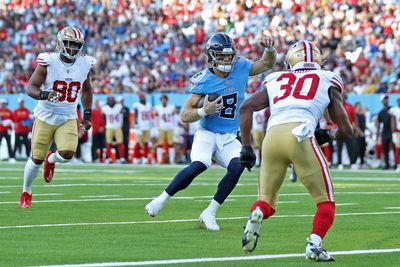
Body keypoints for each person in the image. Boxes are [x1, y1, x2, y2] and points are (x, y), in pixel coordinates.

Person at [145, 32, 276, 230]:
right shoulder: (203, 80)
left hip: (229, 136)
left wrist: (269, 49)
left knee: (237, 165)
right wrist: (203, 110)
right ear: (210, 56)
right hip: (207, 133)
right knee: (200, 164)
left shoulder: (240, 67)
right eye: (221, 56)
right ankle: (161, 199)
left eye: (228, 56)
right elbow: (185, 115)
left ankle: (210, 212)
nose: (225, 60)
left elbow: (266, 63)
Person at [239, 41, 353, 261]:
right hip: (301, 133)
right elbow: (346, 129)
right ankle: (314, 244)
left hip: (272, 137)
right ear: (318, 60)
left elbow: (246, 108)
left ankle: (258, 213)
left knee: (267, 202)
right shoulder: (327, 78)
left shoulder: (275, 78)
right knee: (325, 202)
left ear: (290, 60)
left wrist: (246, 148)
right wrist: (329, 136)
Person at [19, 26, 95, 208]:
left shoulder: (85, 63)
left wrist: (87, 115)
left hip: (68, 115)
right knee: (36, 158)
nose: (72, 48)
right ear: (61, 42)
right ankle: (26, 191)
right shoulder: (48, 61)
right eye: (69, 44)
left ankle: (51, 159)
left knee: (68, 153)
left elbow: (86, 89)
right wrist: (45, 94)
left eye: (76, 45)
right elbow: (30, 87)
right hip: (45, 114)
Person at [102, 96, 126, 164]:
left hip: (117, 126)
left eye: (112, 101)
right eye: (110, 101)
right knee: (108, 143)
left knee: (120, 143)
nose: (111, 102)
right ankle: (108, 158)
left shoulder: (119, 106)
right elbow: (103, 117)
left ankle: (121, 158)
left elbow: (123, 111)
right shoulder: (105, 108)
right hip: (109, 126)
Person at [154, 95, 176, 164]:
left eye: (165, 99)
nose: (164, 101)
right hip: (161, 128)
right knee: (160, 144)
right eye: (162, 99)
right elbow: (156, 119)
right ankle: (159, 160)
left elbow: (174, 118)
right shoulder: (158, 108)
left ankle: (172, 160)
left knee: (171, 144)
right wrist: (156, 128)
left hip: (170, 127)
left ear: (167, 100)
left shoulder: (171, 107)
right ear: (161, 100)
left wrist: (174, 127)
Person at [132, 92, 153, 164]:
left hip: (147, 126)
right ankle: (136, 157)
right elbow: (135, 115)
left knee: (146, 143)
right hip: (140, 126)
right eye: (141, 97)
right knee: (138, 143)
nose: (142, 98)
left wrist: (151, 124)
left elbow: (150, 116)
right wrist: (136, 125)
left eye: (143, 97)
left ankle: (145, 157)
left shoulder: (149, 105)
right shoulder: (137, 105)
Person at [377, 94, 396, 170]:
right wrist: (378, 135)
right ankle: (387, 164)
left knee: (395, 149)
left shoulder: (393, 109)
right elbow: (379, 124)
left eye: (387, 98)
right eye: (385, 99)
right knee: (385, 149)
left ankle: (396, 164)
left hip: (392, 132)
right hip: (385, 132)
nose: (386, 100)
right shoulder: (381, 112)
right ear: (382, 101)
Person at [389, 97, 400, 171]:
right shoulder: (394, 110)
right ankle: (398, 165)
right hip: (398, 131)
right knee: (398, 149)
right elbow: (392, 120)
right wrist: (393, 132)